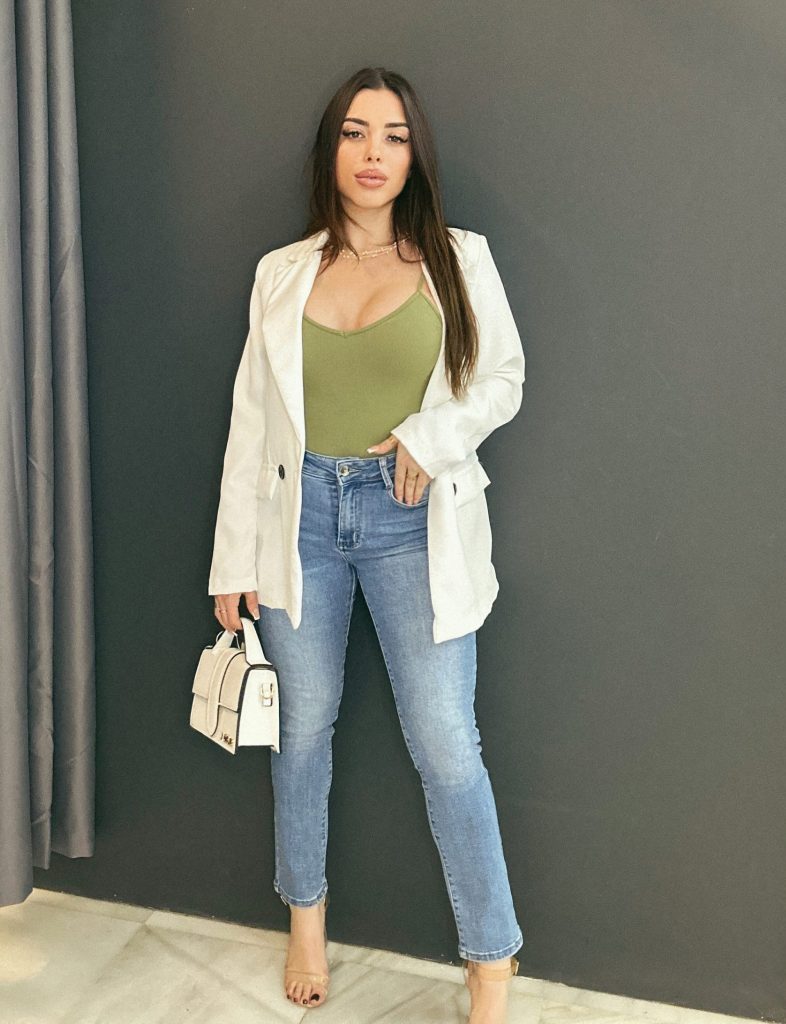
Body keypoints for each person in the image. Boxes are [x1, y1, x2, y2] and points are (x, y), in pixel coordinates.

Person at [208, 66, 526, 1023]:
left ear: (414, 153)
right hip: (298, 518)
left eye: (392, 135)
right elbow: (252, 421)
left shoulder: (459, 259)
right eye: (354, 133)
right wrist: (232, 560)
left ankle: (491, 961)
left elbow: (502, 379)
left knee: (447, 745)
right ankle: (305, 918)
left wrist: (431, 438)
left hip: (410, 521)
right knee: (302, 730)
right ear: (332, 150)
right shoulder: (282, 271)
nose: (373, 153)